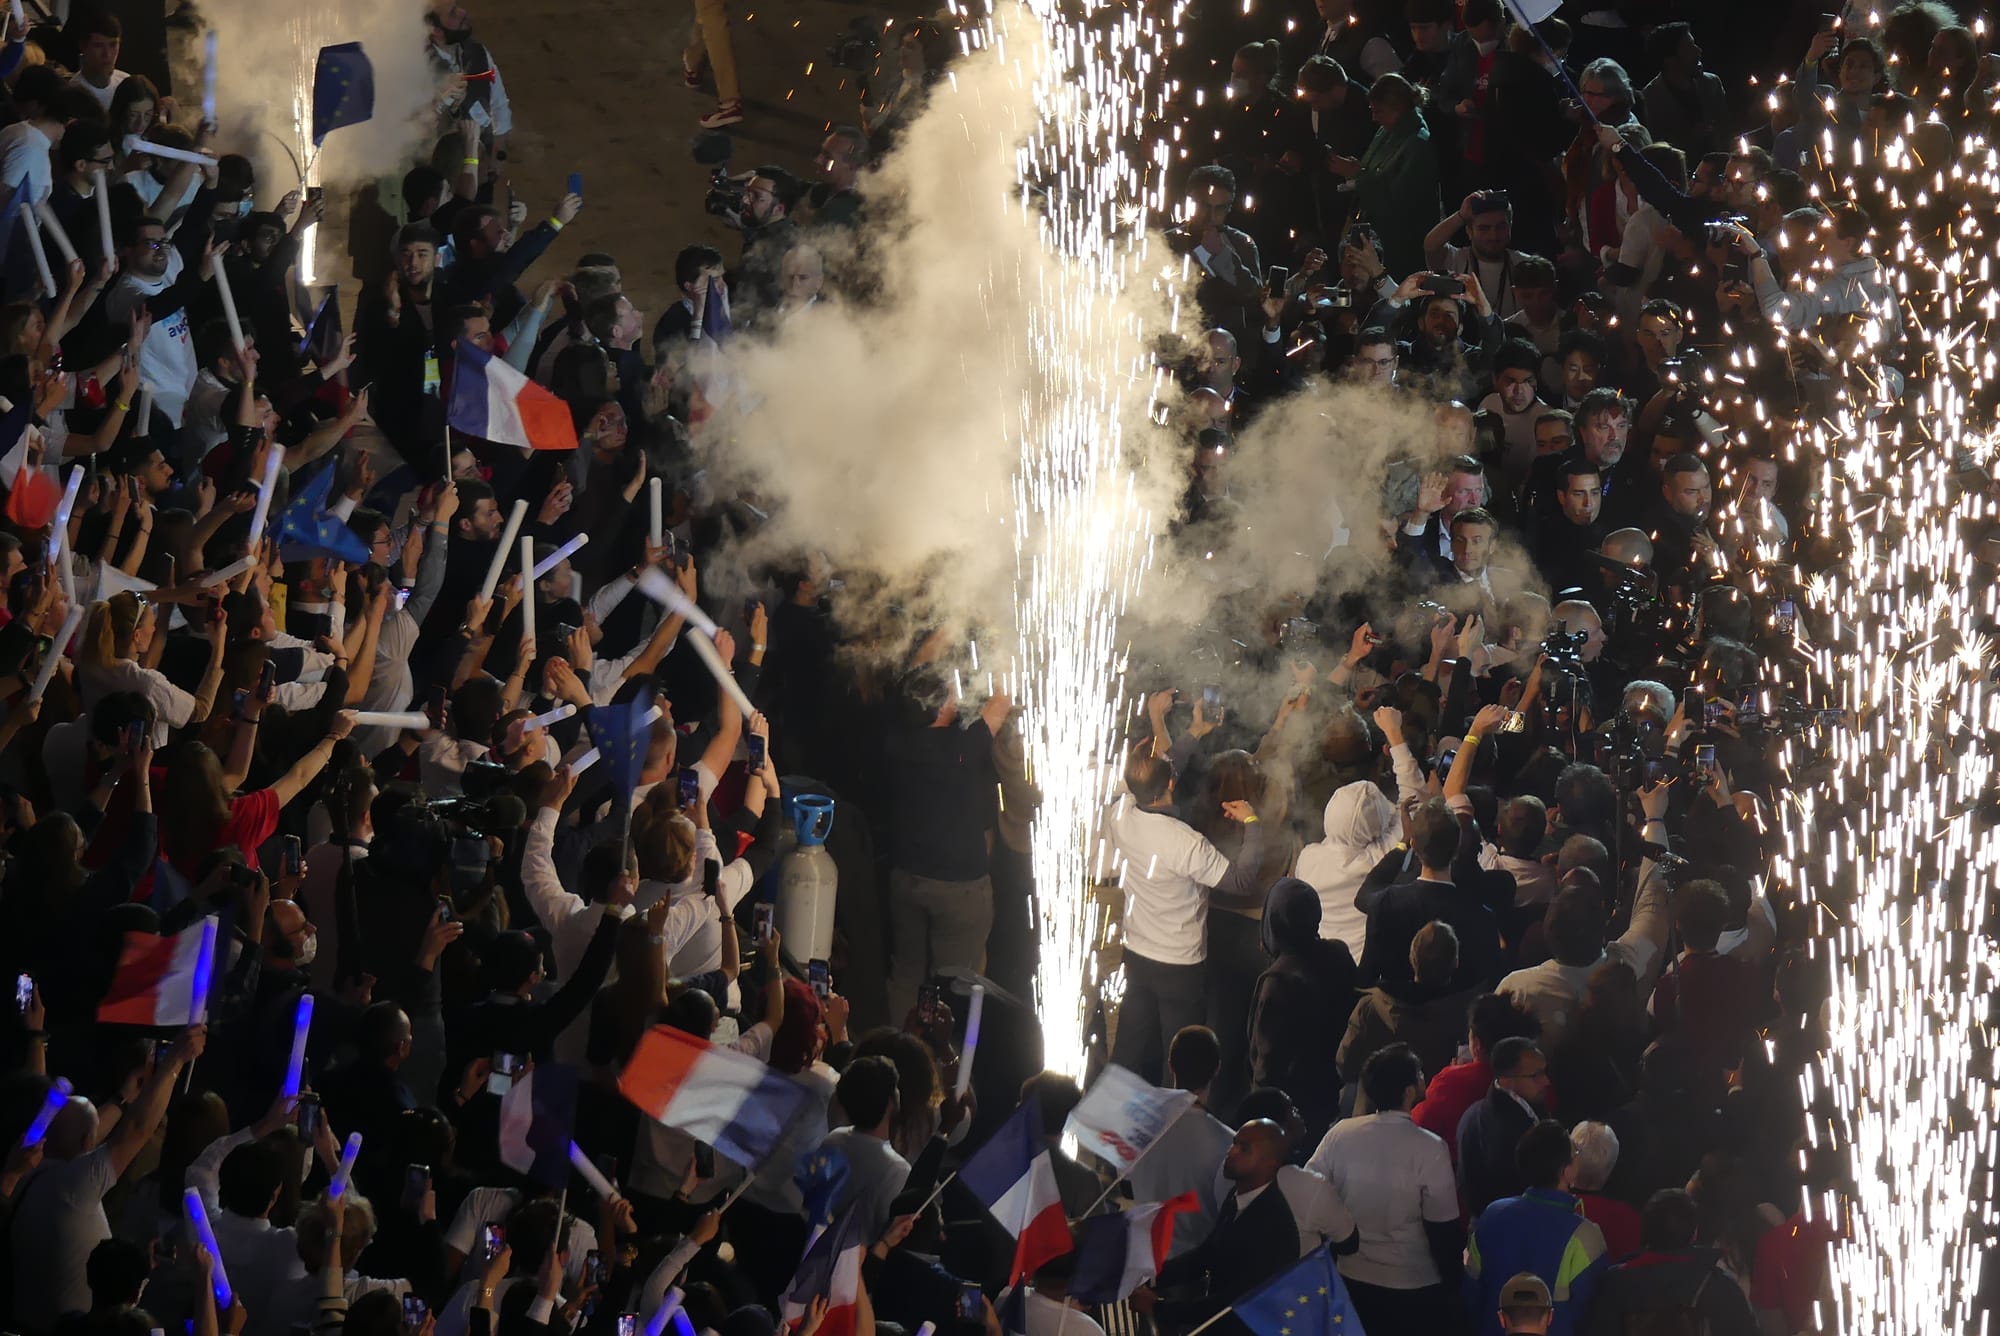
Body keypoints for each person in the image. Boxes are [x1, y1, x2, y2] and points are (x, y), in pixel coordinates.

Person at [1308, 1045, 1464, 1334]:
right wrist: (1455, 1285)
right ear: (1408, 1091)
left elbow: (1311, 1191)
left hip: (1350, 1276)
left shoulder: (1340, 1134)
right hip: (1412, 1284)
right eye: (1419, 1074)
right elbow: (1442, 1227)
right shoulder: (1429, 1147)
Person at [1464, 1120, 1607, 1336]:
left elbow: (1471, 1294)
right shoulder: (1584, 1236)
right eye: (1576, 1152)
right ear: (1565, 1171)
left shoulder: (1492, 1215)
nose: (1578, 1156)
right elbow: (1592, 1316)